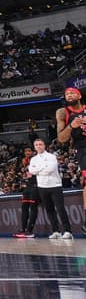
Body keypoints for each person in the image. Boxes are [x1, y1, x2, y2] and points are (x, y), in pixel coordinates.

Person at [27, 138, 72, 239]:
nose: (39, 146)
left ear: (44, 145)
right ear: (34, 147)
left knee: (60, 209)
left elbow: (50, 169)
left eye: (40, 144)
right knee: (49, 210)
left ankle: (68, 231)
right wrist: (41, 169)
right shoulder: (33, 159)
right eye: (37, 145)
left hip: (55, 185)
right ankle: (55, 231)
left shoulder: (51, 156)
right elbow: (31, 171)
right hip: (42, 187)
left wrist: (37, 170)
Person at [57, 86, 86, 234]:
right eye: (66, 93)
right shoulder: (63, 113)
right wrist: (71, 126)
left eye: (72, 93)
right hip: (83, 149)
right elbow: (61, 139)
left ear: (79, 95)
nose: (68, 95)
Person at [13, 147, 40, 239]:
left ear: (33, 152)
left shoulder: (36, 160)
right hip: (27, 187)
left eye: (29, 151)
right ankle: (23, 229)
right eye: (26, 151)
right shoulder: (24, 162)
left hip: (36, 186)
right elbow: (22, 174)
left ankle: (30, 231)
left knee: (33, 207)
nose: (27, 152)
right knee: (24, 207)